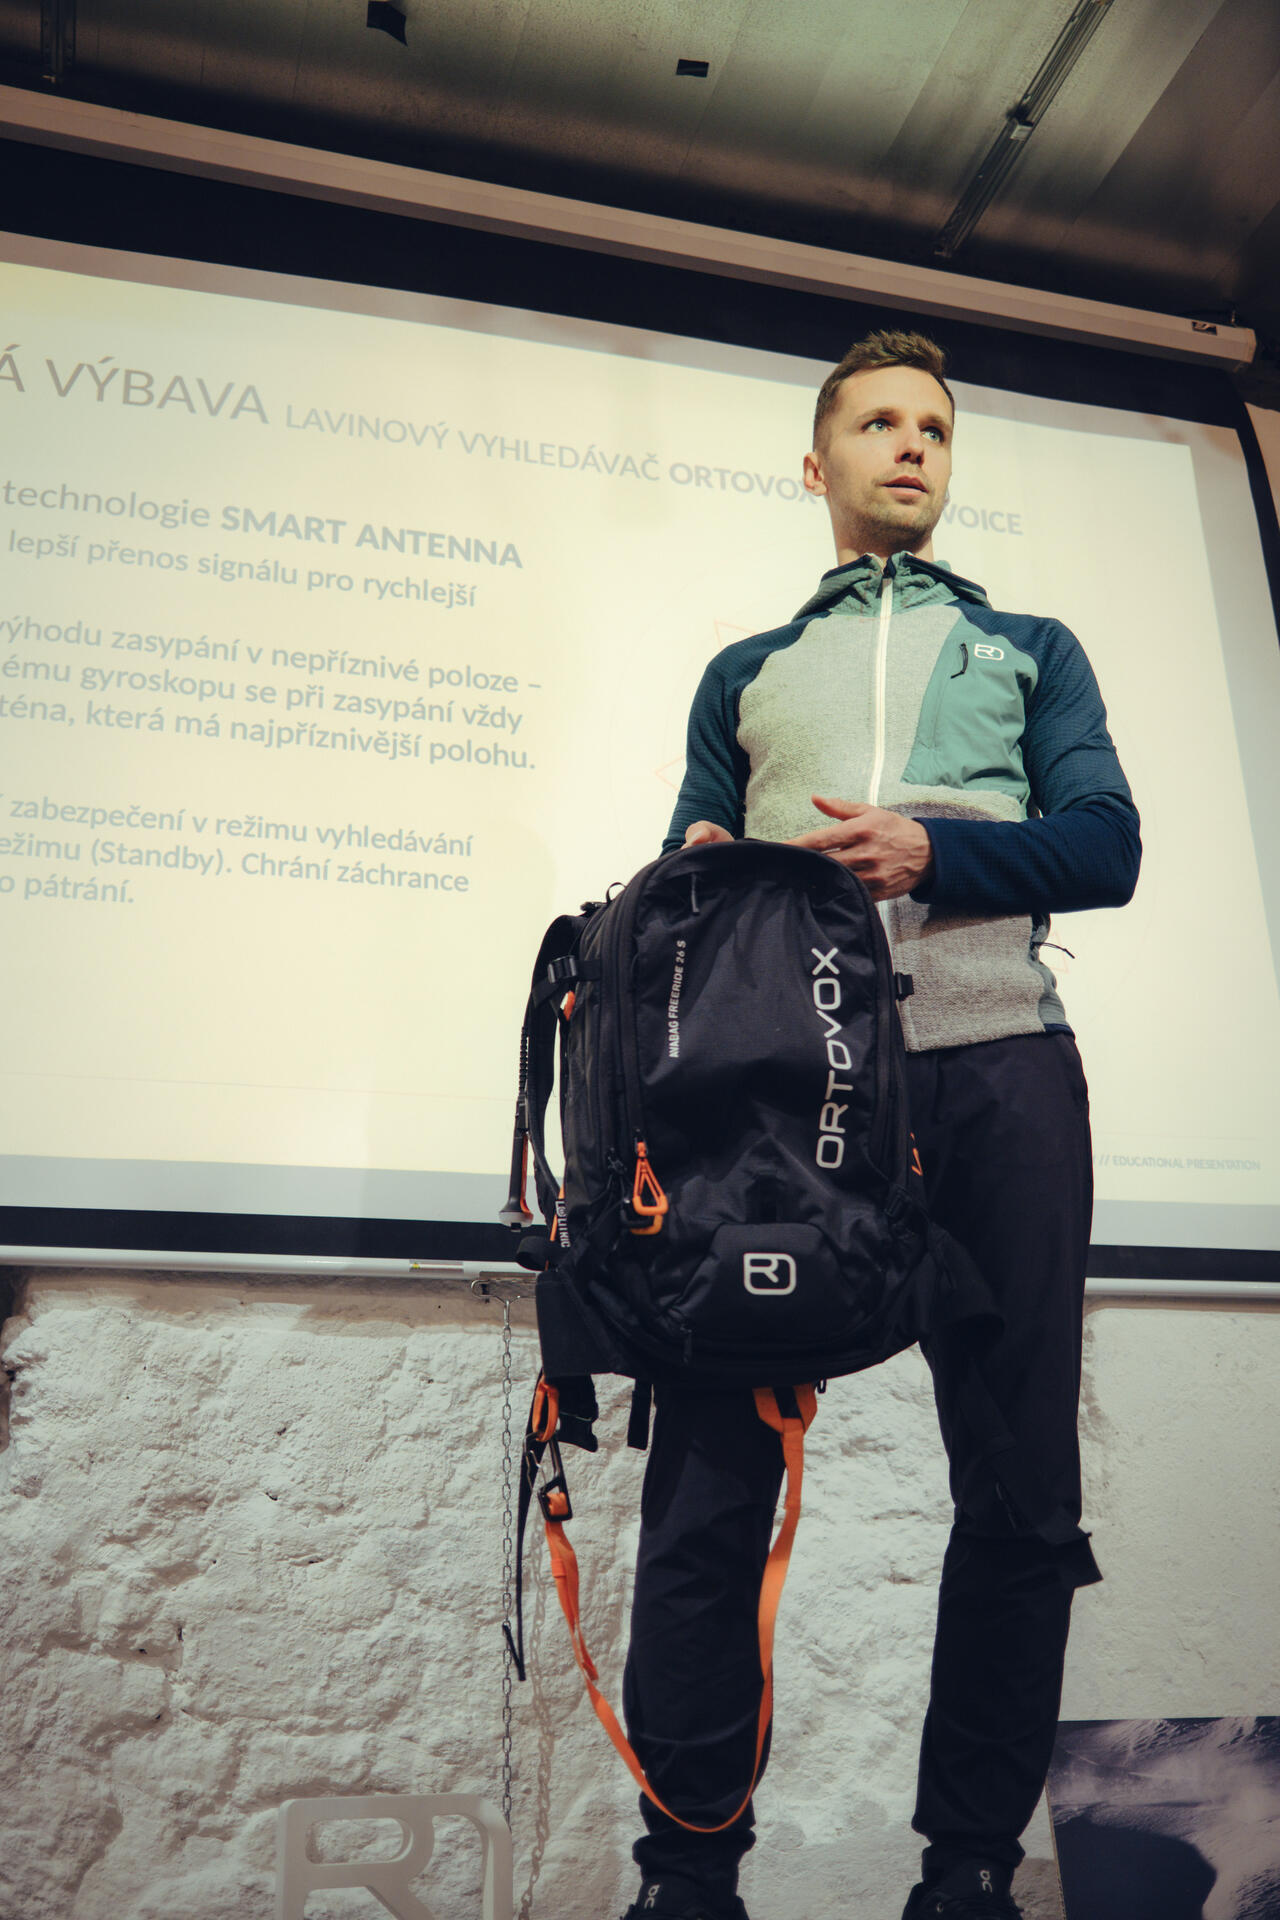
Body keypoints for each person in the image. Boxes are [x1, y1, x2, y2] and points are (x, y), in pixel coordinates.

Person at [613, 330, 1141, 1920]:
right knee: (711, 1483)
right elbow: (680, 874)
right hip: (788, 1097)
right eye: (879, 424)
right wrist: (697, 866)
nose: (912, 446)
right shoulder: (748, 669)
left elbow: (1106, 845)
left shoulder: (1030, 647)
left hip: (1000, 1075)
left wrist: (938, 852)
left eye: (934, 428)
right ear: (818, 464)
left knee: (1022, 1495)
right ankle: (687, 1874)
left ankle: (967, 1870)